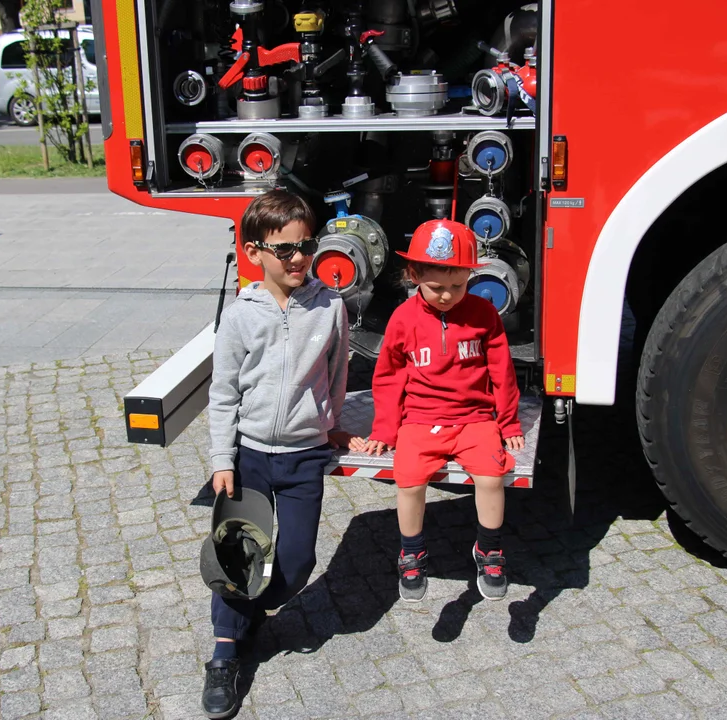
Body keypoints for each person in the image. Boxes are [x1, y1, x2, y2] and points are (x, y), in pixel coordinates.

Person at [203, 188, 350, 719]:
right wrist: (223, 459)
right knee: (236, 557)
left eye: (305, 246)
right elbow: (222, 393)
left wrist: (328, 424)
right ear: (254, 253)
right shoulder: (242, 316)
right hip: (251, 456)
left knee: (296, 562)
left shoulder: (330, 307)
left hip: (304, 456)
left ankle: (248, 615)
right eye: (283, 249)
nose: (297, 258)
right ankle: (223, 654)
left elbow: (335, 374)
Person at [351, 218, 524, 603]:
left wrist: (508, 421)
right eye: (437, 287)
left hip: (474, 419)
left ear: (470, 276)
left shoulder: (484, 315)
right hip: (420, 420)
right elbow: (388, 377)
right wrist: (384, 430)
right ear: (414, 275)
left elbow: (502, 371)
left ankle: (489, 550)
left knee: (492, 477)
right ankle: (411, 553)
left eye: (458, 286)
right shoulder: (403, 319)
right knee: (409, 481)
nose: (447, 296)